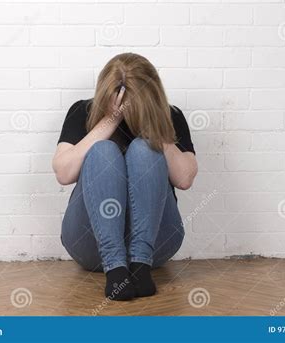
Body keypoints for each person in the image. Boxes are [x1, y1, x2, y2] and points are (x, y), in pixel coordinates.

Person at [52, 53, 198, 301]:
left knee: (144, 148)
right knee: (102, 151)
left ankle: (139, 265)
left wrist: (152, 127)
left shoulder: (170, 115)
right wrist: (109, 121)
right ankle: (116, 268)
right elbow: (64, 173)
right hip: (91, 246)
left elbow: (184, 179)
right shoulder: (82, 111)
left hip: (156, 246)